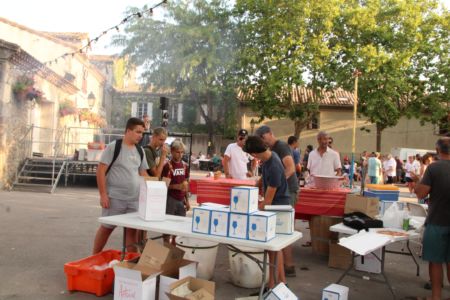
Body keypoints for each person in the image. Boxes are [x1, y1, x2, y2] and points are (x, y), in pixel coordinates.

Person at [92, 117, 149, 254]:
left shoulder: (140, 151)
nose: (140, 136)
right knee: (107, 228)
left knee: (131, 231)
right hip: (115, 198)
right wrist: (103, 195)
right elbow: (100, 171)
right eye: (138, 132)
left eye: (142, 133)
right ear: (128, 131)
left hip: (134, 200)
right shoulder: (114, 147)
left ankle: (129, 261)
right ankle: (94, 256)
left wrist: (157, 188)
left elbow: (144, 174)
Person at [243, 135, 290, 291]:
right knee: (273, 249)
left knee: (274, 248)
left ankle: (277, 283)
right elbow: (265, 177)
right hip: (273, 205)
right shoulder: (269, 157)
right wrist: (256, 185)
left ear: (254, 154)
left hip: (278, 207)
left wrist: (250, 211)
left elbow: (268, 201)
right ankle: (276, 283)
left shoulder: (275, 165)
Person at [256, 125, 299, 277]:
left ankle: (289, 266)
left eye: (263, 137)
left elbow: (290, 168)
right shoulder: (269, 153)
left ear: (270, 133)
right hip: (280, 190)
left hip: (288, 191)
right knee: (278, 231)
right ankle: (280, 270)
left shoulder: (281, 147)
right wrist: (259, 184)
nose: (263, 141)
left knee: (283, 229)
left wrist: (279, 184)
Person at [412, 138, 450, 300]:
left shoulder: (434, 168)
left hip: (437, 221)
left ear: (437, 150)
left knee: (435, 261)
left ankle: (436, 296)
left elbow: (421, 193)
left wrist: (416, 183)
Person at [161, 140, 190, 244]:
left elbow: (186, 184)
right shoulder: (167, 166)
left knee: (179, 227)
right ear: (172, 151)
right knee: (167, 226)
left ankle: (174, 248)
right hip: (170, 199)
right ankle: (165, 247)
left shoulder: (185, 165)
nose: (180, 154)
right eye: (178, 152)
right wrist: (177, 186)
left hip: (181, 199)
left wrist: (187, 200)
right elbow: (164, 185)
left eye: (182, 152)